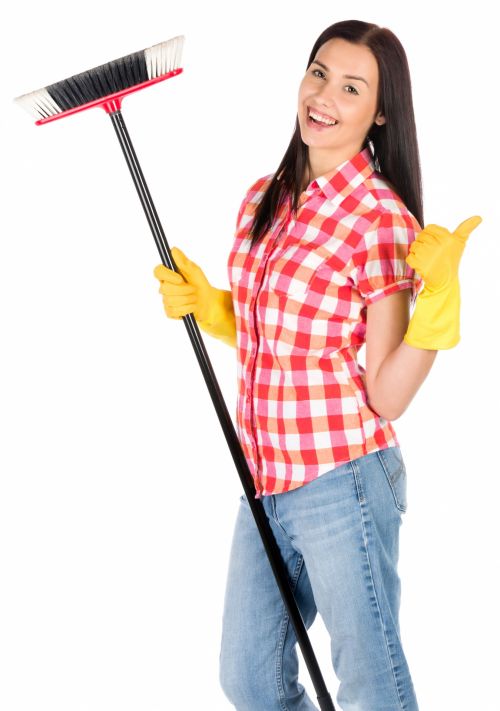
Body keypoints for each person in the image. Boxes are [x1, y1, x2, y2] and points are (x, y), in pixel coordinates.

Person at [153, 18, 481, 711]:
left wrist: (439, 305)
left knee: (372, 686)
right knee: (250, 676)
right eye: (319, 72)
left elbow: (386, 393)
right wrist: (217, 309)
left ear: (380, 111)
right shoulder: (261, 200)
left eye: (352, 86)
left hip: (344, 480)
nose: (324, 94)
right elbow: (280, 339)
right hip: (266, 479)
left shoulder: (380, 220)